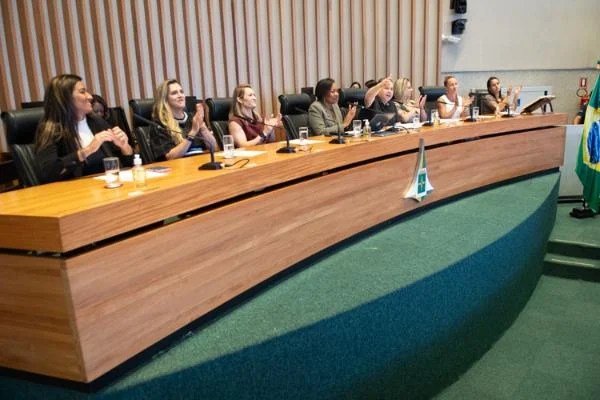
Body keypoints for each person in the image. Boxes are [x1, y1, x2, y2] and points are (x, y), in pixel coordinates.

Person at [35, 74, 133, 183]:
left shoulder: (97, 122)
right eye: (82, 92)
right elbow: (48, 174)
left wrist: (125, 147)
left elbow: (128, 165)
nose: (90, 96)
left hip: (107, 186)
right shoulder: (51, 130)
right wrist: (88, 150)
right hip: (74, 190)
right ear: (65, 98)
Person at [150, 79, 217, 161]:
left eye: (181, 92)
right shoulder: (159, 124)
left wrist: (202, 126)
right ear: (165, 99)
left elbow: (213, 148)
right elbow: (170, 157)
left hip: (202, 161)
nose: (180, 95)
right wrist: (193, 131)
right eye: (174, 93)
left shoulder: (193, 117)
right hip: (179, 166)